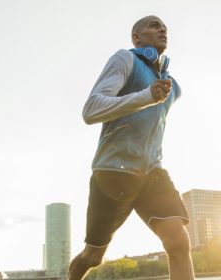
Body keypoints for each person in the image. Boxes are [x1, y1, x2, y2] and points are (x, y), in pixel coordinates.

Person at [69, 15, 195, 280]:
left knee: (179, 242)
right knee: (92, 257)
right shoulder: (125, 59)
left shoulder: (173, 87)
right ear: (137, 37)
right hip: (113, 172)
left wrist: (155, 93)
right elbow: (91, 110)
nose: (162, 29)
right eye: (154, 25)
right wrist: (146, 96)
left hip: (152, 172)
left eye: (164, 27)